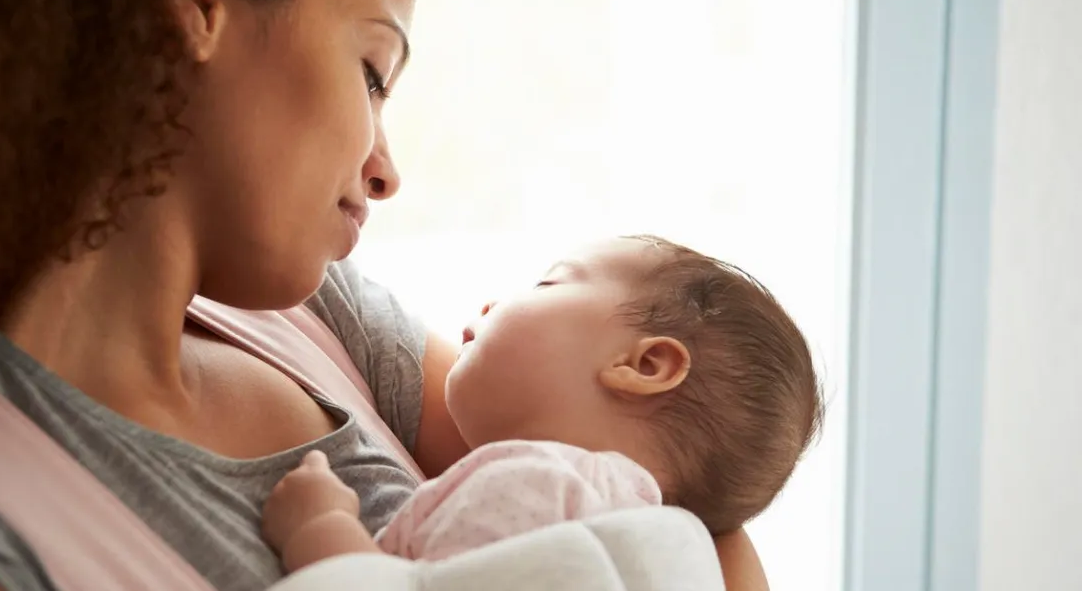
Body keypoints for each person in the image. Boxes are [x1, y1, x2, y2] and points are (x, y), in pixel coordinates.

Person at [0, 0, 772, 590]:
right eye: (373, 73)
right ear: (198, 7)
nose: (385, 171)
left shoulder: (320, 321)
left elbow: (679, 482)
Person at [264, 236, 822, 572]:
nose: (494, 300)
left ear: (644, 366)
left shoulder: (541, 493)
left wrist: (321, 528)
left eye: (548, 284)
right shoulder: (654, 541)